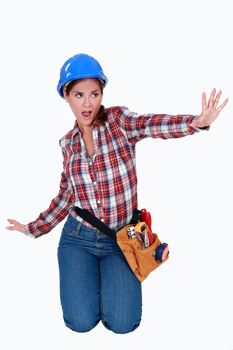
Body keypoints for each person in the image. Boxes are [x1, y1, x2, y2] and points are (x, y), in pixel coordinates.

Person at [6, 53, 228, 334]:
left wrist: (195, 122)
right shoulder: (68, 144)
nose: (87, 103)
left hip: (121, 239)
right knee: (80, 323)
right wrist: (32, 228)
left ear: (102, 93)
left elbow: (152, 123)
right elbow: (65, 197)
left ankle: (106, 282)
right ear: (66, 95)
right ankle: (88, 280)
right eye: (78, 95)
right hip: (79, 239)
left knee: (124, 324)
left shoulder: (119, 122)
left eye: (94, 93)